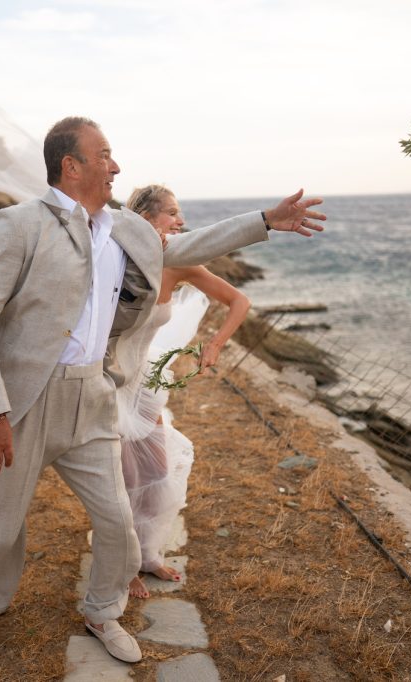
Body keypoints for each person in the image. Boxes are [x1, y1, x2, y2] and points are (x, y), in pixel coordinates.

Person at [0, 115, 325, 671]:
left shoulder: (126, 228)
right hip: (24, 403)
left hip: (94, 397)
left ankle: (102, 611)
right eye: (105, 156)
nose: (116, 167)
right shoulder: (19, 224)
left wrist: (266, 220)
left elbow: (191, 244)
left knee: (118, 522)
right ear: (71, 165)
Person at [118, 184, 251, 599]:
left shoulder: (180, 261)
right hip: (109, 378)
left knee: (157, 470)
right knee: (119, 480)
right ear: (146, 218)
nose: (181, 221)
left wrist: (213, 345)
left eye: (180, 214)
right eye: (172, 213)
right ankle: (123, 566)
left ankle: (148, 554)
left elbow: (239, 301)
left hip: (146, 378)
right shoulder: (116, 258)